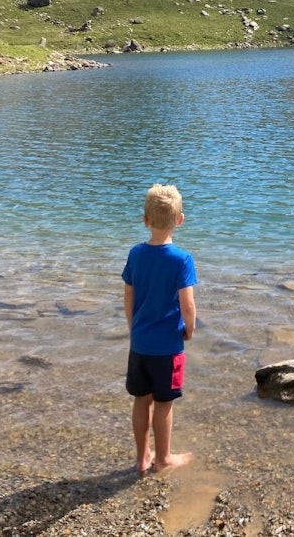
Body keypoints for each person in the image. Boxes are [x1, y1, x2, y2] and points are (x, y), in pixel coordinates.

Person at [123, 183, 197, 473]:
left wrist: (134, 327)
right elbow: (187, 305)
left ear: (145, 220)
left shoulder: (136, 254)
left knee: (141, 399)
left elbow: (128, 295)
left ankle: (142, 458)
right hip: (167, 346)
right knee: (164, 403)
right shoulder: (181, 259)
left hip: (139, 342)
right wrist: (189, 329)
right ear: (180, 220)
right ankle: (163, 460)